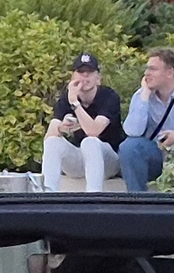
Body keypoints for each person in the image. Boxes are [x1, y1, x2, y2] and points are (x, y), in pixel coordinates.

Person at [117, 49, 174, 193]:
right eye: (147, 68)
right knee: (129, 147)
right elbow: (132, 131)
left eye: (153, 69)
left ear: (170, 73)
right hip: (156, 155)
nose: (146, 73)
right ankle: (137, 202)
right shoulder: (142, 94)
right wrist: (144, 97)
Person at [42, 53, 125, 192]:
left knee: (90, 142)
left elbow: (93, 131)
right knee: (52, 142)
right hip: (79, 161)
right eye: (80, 72)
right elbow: (48, 136)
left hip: (108, 162)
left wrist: (75, 104)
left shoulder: (109, 97)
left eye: (90, 72)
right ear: (73, 77)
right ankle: (46, 195)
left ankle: (93, 197)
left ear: (98, 78)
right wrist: (62, 128)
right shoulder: (66, 98)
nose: (85, 77)